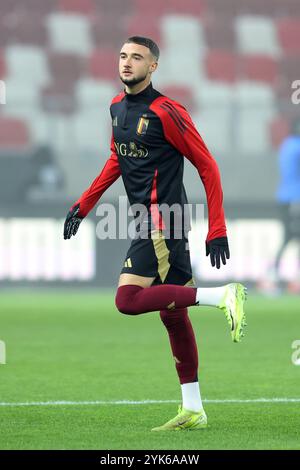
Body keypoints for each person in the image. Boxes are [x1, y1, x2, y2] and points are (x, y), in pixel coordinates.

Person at [63, 36, 247, 431]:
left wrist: (217, 228)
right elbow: (117, 158)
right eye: (123, 56)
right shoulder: (116, 107)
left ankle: (222, 294)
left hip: (163, 220)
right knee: (173, 315)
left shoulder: (167, 111)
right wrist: (84, 205)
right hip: (151, 220)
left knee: (127, 300)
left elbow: (207, 165)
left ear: (154, 66)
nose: (127, 63)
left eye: (137, 58)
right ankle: (194, 409)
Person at [273, 117, 300, 292]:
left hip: (286, 197)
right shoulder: (296, 146)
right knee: (292, 237)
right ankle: (277, 275)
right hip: (295, 198)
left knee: (288, 238)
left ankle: (275, 274)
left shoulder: (287, 144)